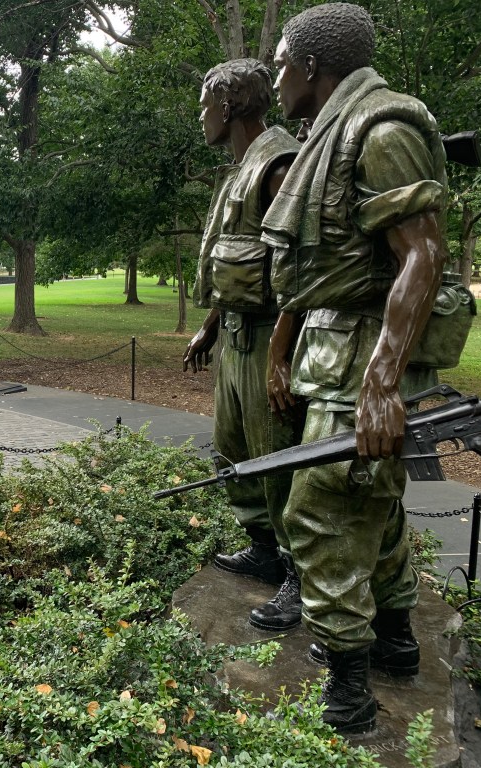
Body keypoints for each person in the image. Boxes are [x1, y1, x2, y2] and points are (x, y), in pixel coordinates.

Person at [263, 2, 448, 733]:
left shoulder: (379, 127)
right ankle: (396, 641)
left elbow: (423, 255)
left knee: (323, 510)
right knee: (374, 502)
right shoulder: (335, 128)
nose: (277, 77)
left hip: (365, 354)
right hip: (338, 346)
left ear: (311, 65)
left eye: (281, 62)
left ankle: (348, 692)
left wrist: (380, 381)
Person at [184, 59, 304, 630]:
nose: (200, 115)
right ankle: (262, 547)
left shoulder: (278, 165)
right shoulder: (240, 169)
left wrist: (280, 355)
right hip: (235, 336)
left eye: (206, 104)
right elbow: (239, 264)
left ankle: (300, 579)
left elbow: (300, 272)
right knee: (233, 450)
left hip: (266, 342)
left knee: (279, 459)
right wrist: (210, 325)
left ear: (228, 106)